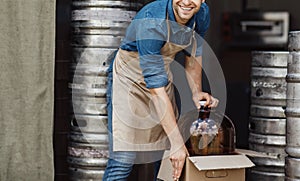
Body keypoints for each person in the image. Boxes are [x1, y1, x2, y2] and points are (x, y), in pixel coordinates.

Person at [103, 0, 219, 180]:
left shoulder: (201, 15)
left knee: (161, 155)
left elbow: (193, 53)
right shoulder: (152, 22)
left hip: (160, 80)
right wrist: (178, 143)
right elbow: (156, 92)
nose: (187, 2)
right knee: (123, 159)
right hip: (129, 81)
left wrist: (197, 91)